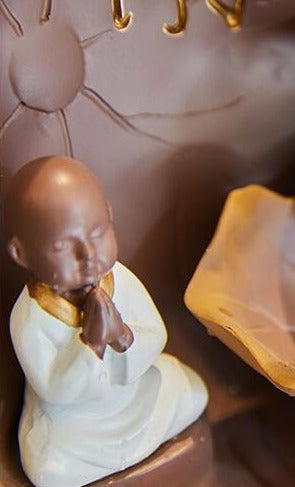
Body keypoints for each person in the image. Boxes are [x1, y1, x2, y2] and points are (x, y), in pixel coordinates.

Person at [4, 155, 208, 487]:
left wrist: (122, 335)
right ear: (21, 254)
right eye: (62, 247)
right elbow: (54, 390)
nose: (88, 256)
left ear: (110, 216)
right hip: (76, 426)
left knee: (191, 391)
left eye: (97, 232)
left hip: (135, 395)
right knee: (48, 471)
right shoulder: (30, 318)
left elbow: (156, 335)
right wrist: (91, 344)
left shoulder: (119, 279)